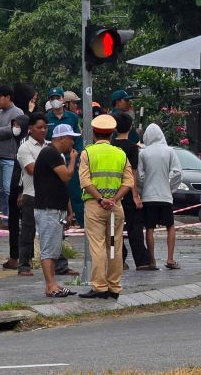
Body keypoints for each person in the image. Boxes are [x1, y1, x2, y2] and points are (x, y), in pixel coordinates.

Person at [78, 114, 133, 299]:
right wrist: (114, 199)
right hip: (115, 207)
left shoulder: (88, 153)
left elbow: (85, 181)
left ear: (94, 134)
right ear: (111, 134)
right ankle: (114, 286)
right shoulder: (120, 153)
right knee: (113, 245)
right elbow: (128, 182)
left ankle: (100, 286)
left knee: (98, 246)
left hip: (95, 206)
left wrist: (101, 199)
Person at [32, 123, 79, 297]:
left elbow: (61, 184)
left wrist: (68, 209)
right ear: (61, 138)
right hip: (48, 208)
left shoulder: (56, 154)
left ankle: (53, 284)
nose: (72, 143)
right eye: (70, 139)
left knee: (54, 249)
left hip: (56, 208)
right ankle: (50, 285)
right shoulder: (50, 153)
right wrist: (73, 161)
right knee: (48, 249)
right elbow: (66, 176)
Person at [139, 123, 182, 270]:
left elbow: (139, 175)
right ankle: (170, 259)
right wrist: (169, 188)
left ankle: (152, 261)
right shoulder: (169, 151)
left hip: (148, 197)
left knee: (149, 228)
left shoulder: (143, 153)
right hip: (165, 197)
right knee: (170, 226)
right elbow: (177, 173)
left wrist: (142, 189)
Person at [112, 112, 150, 270]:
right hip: (127, 191)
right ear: (131, 127)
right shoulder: (132, 148)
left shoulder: (111, 146)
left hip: (113, 191)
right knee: (135, 227)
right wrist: (136, 195)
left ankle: (118, 259)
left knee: (114, 228)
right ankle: (141, 261)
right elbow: (132, 172)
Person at [46, 87, 85, 227]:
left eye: (58, 97)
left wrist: (78, 156)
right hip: (55, 162)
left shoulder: (72, 117)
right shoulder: (46, 118)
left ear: (64, 100)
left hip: (71, 159)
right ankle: (61, 222)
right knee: (57, 192)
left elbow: (78, 138)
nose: (55, 101)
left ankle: (81, 222)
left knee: (75, 192)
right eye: (52, 98)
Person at [15, 113, 47, 276]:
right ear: (30, 129)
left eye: (45, 127)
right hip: (31, 193)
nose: (43, 130)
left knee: (54, 230)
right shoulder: (25, 147)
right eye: (39, 127)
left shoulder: (49, 146)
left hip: (49, 195)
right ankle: (24, 264)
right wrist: (52, 168)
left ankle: (60, 263)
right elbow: (31, 170)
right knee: (28, 230)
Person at [0, 86, 24, 217]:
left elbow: (13, 131)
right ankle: (4, 216)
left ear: (8, 97)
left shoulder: (18, 113)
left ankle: (13, 216)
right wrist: (1, 131)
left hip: (10, 157)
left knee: (9, 188)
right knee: (0, 190)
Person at [2, 113, 30, 271]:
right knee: (15, 225)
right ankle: (15, 257)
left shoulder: (25, 144)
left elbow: (23, 170)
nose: (15, 128)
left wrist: (20, 191)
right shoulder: (19, 142)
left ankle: (24, 258)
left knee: (24, 225)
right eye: (14, 125)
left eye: (18, 125)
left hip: (22, 189)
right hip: (16, 188)